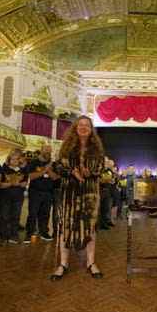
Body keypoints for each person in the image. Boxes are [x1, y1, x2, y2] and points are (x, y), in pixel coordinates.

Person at [50, 116, 105, 280]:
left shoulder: (97, 149)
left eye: (87, 125)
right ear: (75, 127)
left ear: (91, 129)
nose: (83, 127)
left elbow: (101, 167)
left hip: (90, 194)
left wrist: (91, 172)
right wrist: (71, 172)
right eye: (80, 125)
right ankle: (63, 264)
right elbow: (58, 166)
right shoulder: (66, 148)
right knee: (65, 227)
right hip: (70, 194)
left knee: (90, 227)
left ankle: (91, 262)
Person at [25, 145, 57, 242]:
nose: (48, 153)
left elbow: (55, 177)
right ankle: (29, 233)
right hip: (35, 192)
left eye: (49, 151)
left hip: (48, 193)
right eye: (46, 151)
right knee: (33, 214)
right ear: (41, 151)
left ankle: (44, 232)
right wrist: (44, 171)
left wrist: (49, 169)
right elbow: (31, 176)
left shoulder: (53, 164)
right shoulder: (34, 162)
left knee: (45, 214)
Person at [0, 149, 28, 246]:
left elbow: (25, 183)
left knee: (16, 217)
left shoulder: (23, 170)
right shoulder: (3, 169)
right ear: (9, 160)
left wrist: (22, 184)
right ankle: (3, 237)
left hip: (18, 197)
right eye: (13, 159)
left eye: (17, 159)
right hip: (4, 196)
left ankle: (13, 236)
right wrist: (11, 183)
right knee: (4, 216)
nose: (15, 161)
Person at [97, 157, 116, 230]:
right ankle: (101, 224)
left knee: (105, 208)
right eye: (106, 162)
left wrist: (111, 179)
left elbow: (112, 179)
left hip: (107, 190)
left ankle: (104, 223)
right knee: (101, 208)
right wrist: (105, 180)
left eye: (107, 162)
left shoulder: (109, 170)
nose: (106, 163)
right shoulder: (100, 169)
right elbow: (100, 179)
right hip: (101, 190)